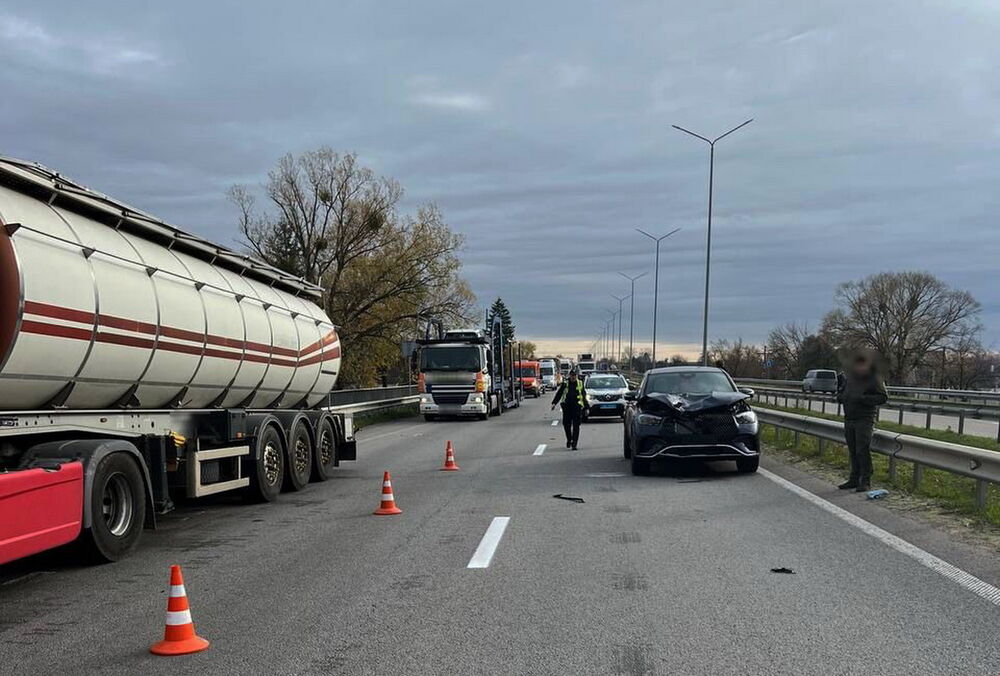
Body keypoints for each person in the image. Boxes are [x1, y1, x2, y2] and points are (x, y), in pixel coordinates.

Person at [836, 352, 888, 492]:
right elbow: (842, 393)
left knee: (862, 449)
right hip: (849, 418)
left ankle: (865, 480)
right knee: (853, 449)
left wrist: (864, 399)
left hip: (864, 418)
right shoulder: (849, 378)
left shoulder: (873, 378)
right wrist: (841, 397)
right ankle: (854, 478)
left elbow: (883, 397)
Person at [551, 369, 589, 450]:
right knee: (566, 425)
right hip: (567, 407)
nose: (573, 377)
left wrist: (586, 407)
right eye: (572, 375)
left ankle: (574, 444)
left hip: (577, 407)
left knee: (576, 426)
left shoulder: (580, 383)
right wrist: (554, 403)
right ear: (569, 375)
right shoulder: (565, 383)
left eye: (575, 375)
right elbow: (559, 393)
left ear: (577, 376)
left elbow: (583, 396)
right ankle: (569, 439)